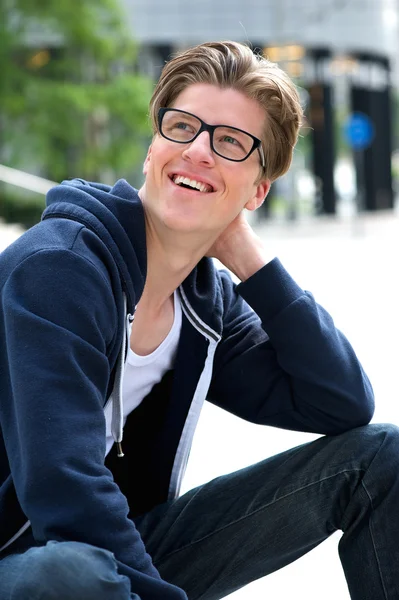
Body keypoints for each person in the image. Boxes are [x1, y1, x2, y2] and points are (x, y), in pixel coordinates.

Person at [0, 40, 397, 600]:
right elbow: (62, 485)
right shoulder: (58, 268)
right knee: (71, 572)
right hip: (29, 560)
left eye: (230, 141)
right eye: (182, 127)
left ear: (257, 191)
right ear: (152, 150)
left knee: (381, 457)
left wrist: (252, 263)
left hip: (114, 554)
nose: (198, 151)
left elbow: (340, 402)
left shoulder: (204, 303)